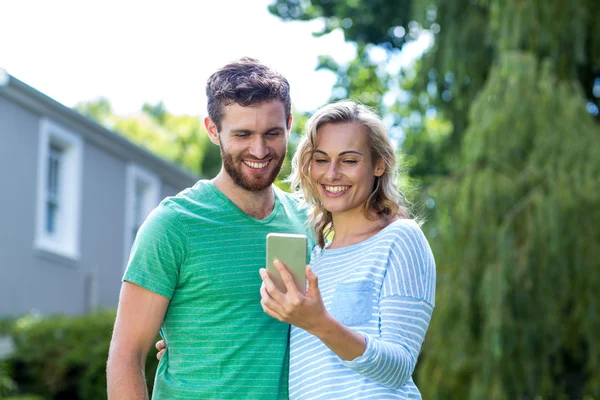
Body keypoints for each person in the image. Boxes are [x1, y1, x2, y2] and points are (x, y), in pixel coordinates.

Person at [106, 57, 312, 399]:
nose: (259, 150)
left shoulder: (308, 223)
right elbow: (126, 355)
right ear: (213, 130)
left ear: (289, 125)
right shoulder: (173, 225)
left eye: (272, 133)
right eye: (243, 134)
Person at [259, 100, 436, 399]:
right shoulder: (314, 258)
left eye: (349, 160)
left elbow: (398, 367)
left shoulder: (401, 239)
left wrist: (320, 324)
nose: (332, 174)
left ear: (379, 164)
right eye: (321, 159)